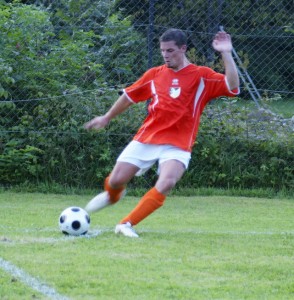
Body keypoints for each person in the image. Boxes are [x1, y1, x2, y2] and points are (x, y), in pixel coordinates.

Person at [84, 28, 240, 238]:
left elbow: (232, 86)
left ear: (183, 49)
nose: (166, 55)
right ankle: (113, 195)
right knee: (115, 181)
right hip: (147, 137)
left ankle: (126, 224)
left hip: (178, 143)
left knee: (167, 182)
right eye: (162, 51)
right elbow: (129, 97)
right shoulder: (154, 74)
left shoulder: (201, 76)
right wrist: (106, 117)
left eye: (170, 50)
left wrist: (226, 53)